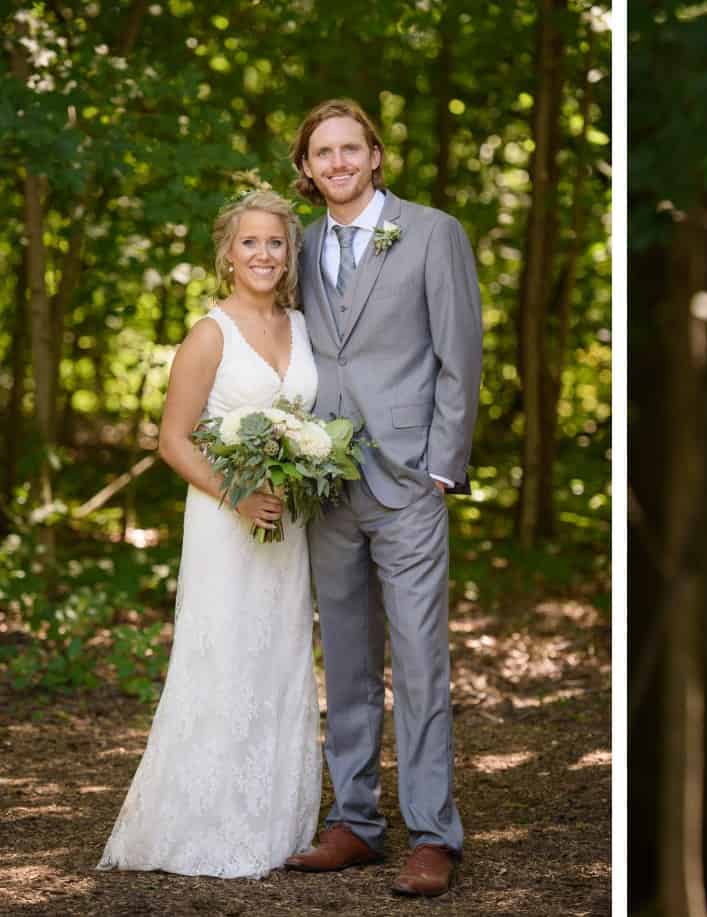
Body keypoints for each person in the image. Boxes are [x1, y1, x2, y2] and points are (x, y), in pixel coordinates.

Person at [277, 99, 484, 898]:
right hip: (325, 481)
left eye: (349, 149)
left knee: (422, 660)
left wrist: (442, 465)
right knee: (350, 660)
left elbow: (459, 353)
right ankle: (356, 821)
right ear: (307, 166)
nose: (337, 163)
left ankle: (434, 832)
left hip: (407, 482)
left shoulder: (433, 232)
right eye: (321, 152)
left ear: (375, 155)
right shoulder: (297, 244)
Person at [98, 188, 322, 878]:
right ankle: (203, 823)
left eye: (276, 243)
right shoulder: (209, 333)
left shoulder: (305, 327)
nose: (263, 254)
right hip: (227, 523)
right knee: (222, 657)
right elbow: (172, 439)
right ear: (228, 253)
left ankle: (276, 820)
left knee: (281, 661)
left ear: (290, 255)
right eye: (250, 242)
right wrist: (237, 494)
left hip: (288, 526)